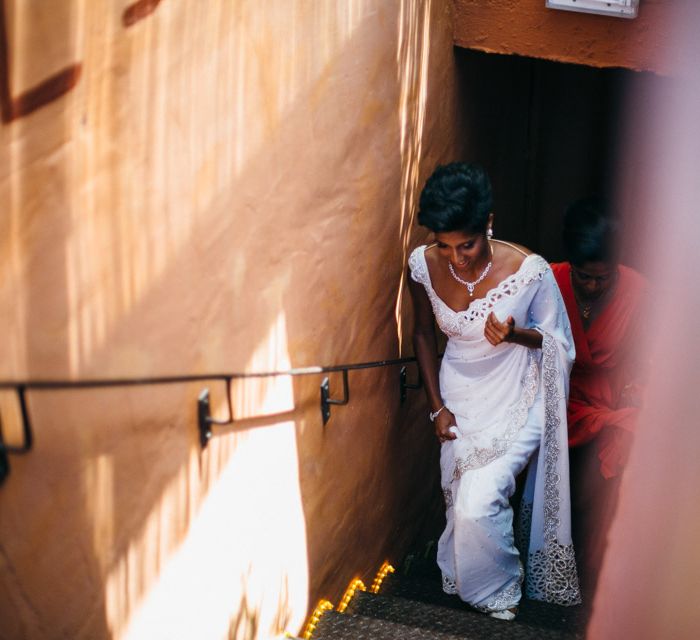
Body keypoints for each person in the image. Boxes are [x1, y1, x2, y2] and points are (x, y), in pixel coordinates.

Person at [407, 162, 581, 619]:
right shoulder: (422, 267)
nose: (456, 258)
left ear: (487, 223)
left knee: (479, 501)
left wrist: (514, 335)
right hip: (459, 396)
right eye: (444, 246)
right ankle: (472, 577)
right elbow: (423, 335)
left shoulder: (530, 271)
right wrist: (436, 409)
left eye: (466, 244)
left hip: (519, 394)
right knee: (461, 497)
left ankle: (500, 590)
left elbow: (560, 344)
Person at [551, 197, 646, 595]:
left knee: (597, 497)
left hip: (608, 402)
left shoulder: (640, 292)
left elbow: (648, 356)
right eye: (583, 276)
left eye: (601, 279)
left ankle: (593, 583)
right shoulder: (548, 280)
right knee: (554, 498)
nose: (591, 286)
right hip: (555, 401)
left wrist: (635, 394)